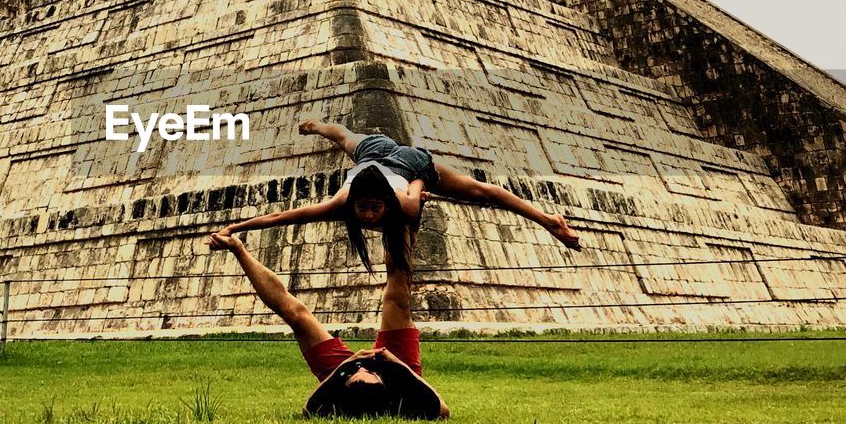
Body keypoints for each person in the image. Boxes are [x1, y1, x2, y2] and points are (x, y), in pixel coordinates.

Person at [216, 121, 581, 276]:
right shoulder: (342, 201)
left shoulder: (403, 202)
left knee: (482, 191)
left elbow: (420, 184)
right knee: (344, 137)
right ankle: (317, 127)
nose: (371, 216)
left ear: (385, 203)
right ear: (353, 203)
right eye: (366, 209)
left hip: (410, 166)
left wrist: (416, 203)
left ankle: (550, 220)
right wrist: (236, 226)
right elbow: (286, 216)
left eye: (375, 209)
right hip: (371, 156)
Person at [206, 230, 450, 419]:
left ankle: (238, 249)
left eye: (358, 373)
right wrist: (394, 362)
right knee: (397, 295)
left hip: (339, 371)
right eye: (369, 372)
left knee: (296, 315)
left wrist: (348, 365)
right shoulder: (406, 400)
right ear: (382, 381)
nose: (364, 366)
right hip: (399, 371)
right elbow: (443, 409)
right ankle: (402, 222)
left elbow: (307, 410)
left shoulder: (336, 392)